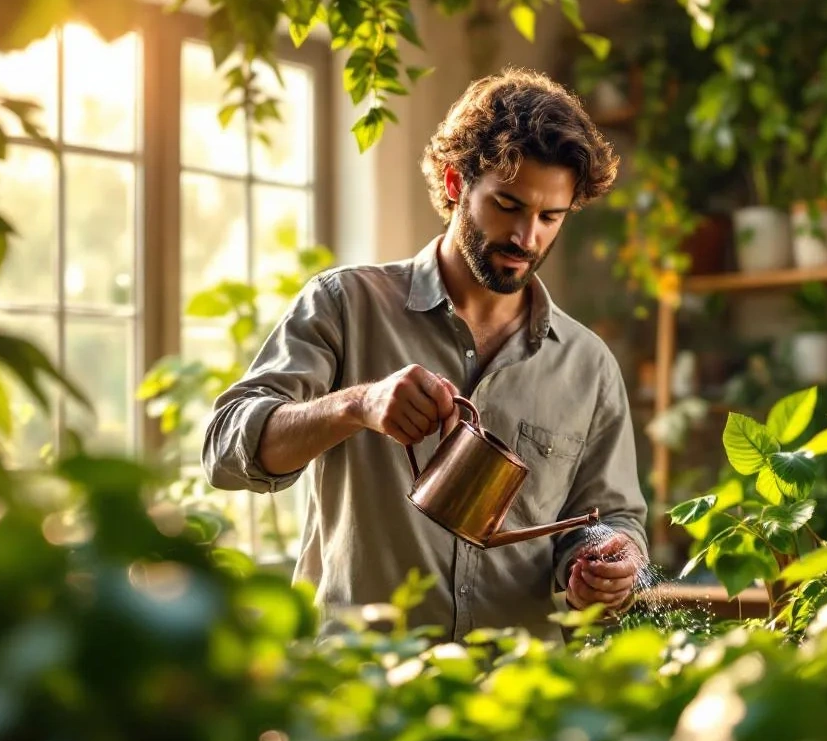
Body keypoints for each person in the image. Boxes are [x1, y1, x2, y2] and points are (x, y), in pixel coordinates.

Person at [201, 66, 649, 642]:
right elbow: (224, 449)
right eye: (508, 205)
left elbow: (609, 519)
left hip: (516, 700)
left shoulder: (587, 364)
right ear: (457, 182)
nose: (527, 237)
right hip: (361, 687)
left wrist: (606, 562)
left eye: (549, 217)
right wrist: (357, 405)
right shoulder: (346, 304)